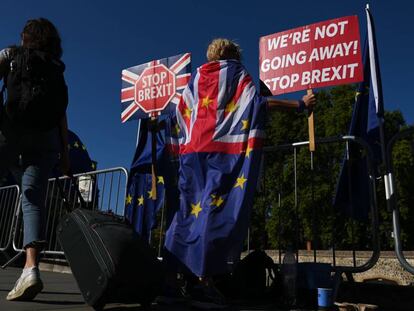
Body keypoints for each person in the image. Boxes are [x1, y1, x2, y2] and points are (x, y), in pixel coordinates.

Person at [163, 38, 315, 308]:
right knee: (213, 212)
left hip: (190, 153)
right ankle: (204, 280)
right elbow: (257, 105)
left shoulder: (195, 78)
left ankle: (176, 274)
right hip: (223, 151)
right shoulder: (236, 72)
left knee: (188, 211)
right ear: (234, 54)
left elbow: (177, 114)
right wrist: (301, 105)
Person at [0, 18, 70, 301]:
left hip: (9, 130)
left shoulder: (11, 55)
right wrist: (65, 155)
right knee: (32, 202)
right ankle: (31, 268)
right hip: (46, 138)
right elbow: (62, 114)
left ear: (26, 37)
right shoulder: (56, 69)